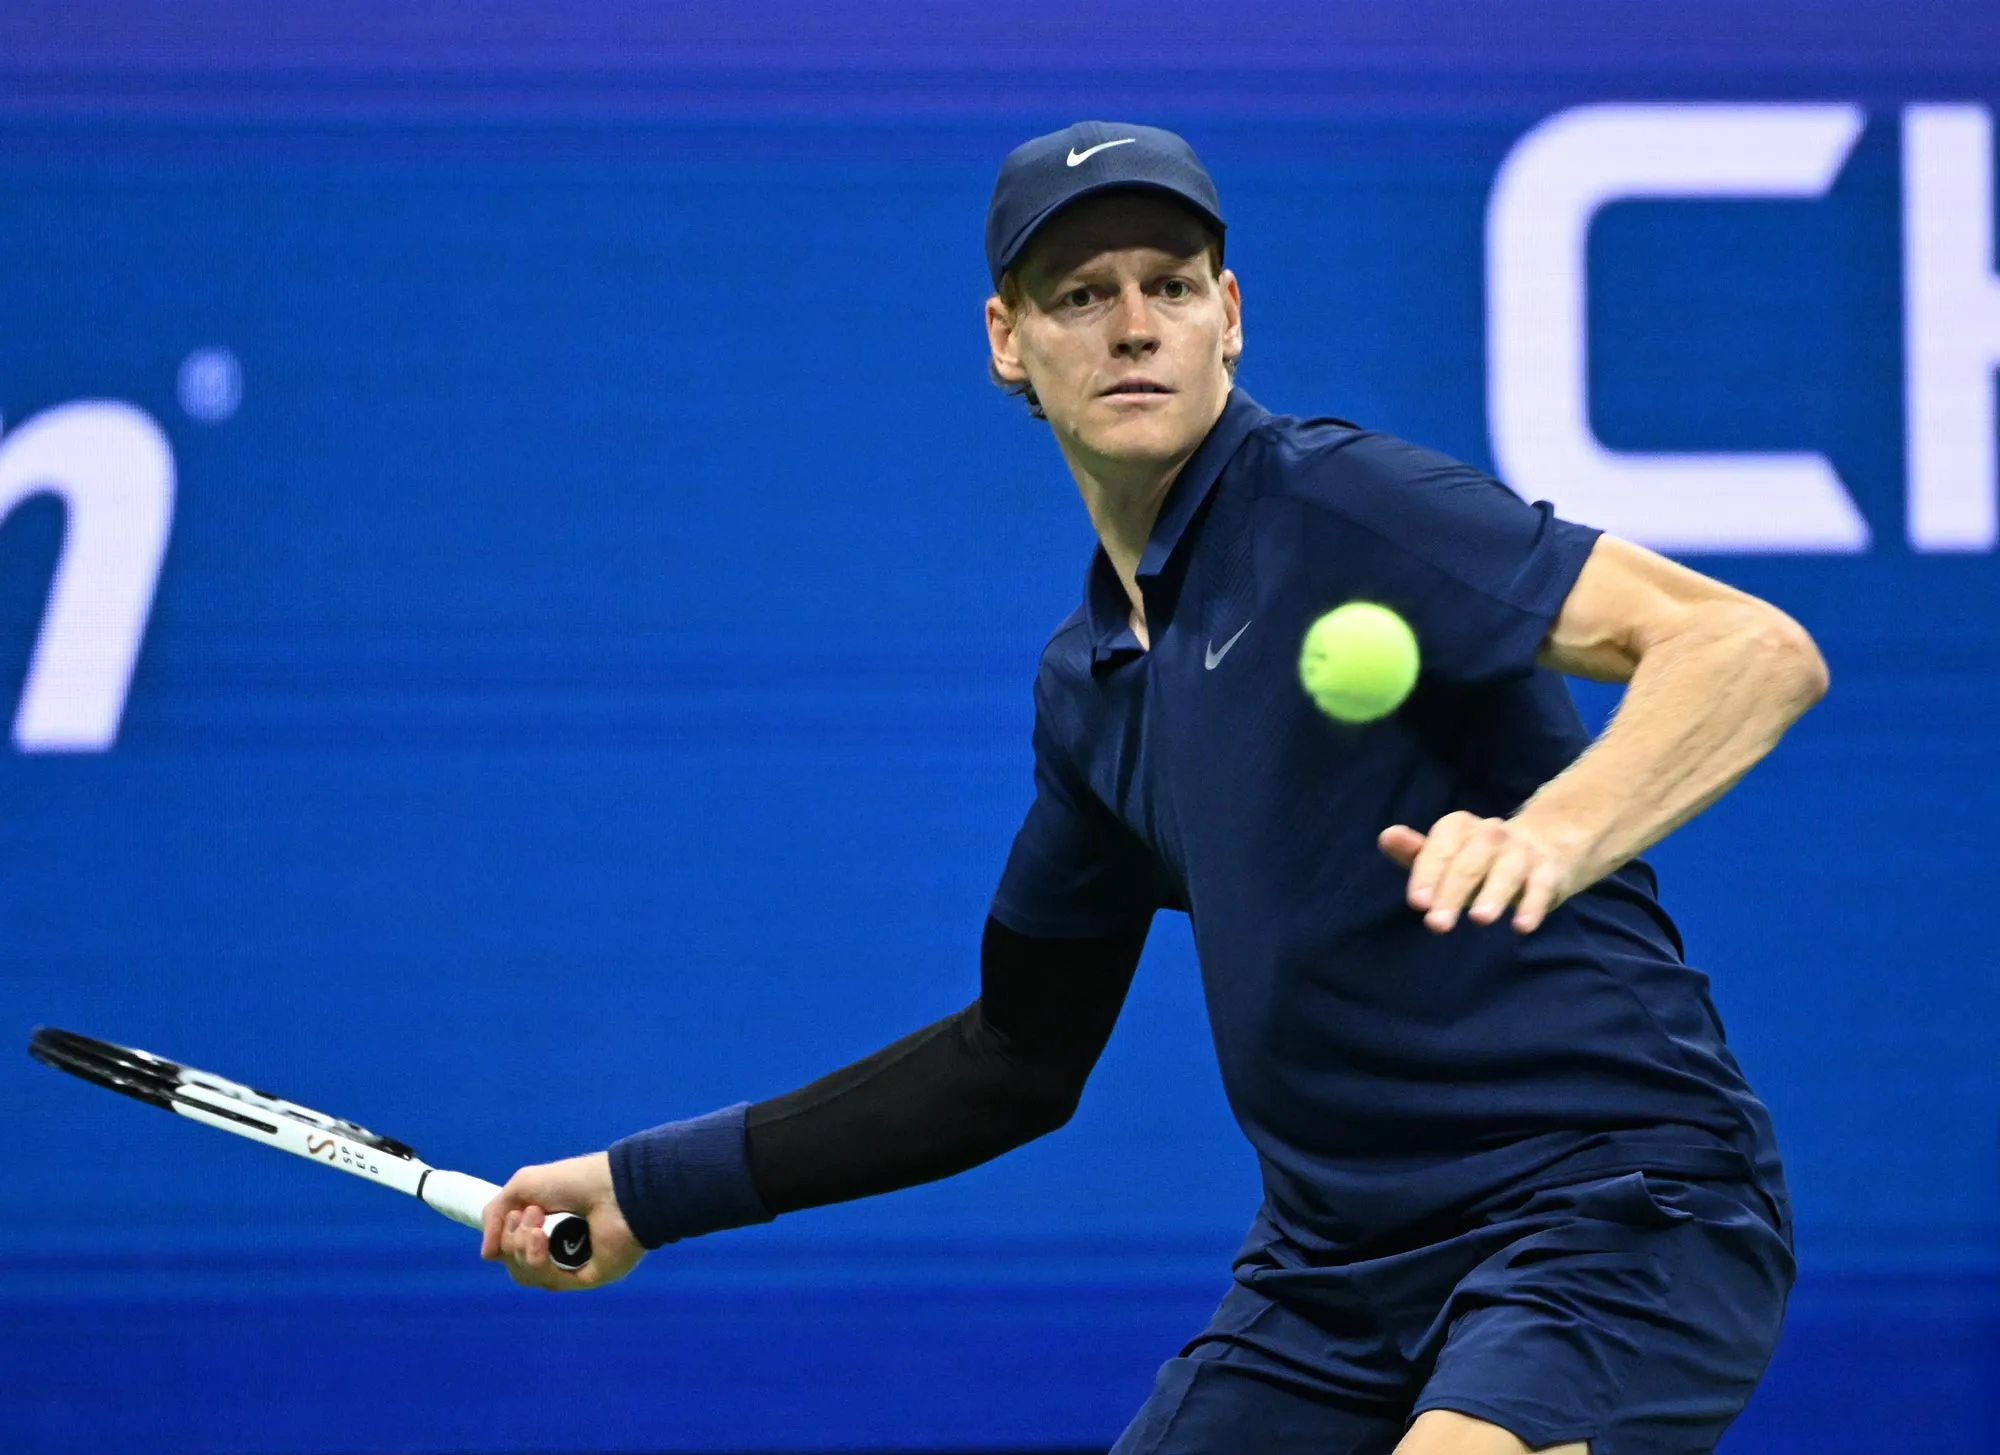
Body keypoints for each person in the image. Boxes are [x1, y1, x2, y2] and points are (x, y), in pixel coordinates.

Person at [483, 122, 1827, 1455]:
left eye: (1170, 286)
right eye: (1082, 296)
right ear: (1008, 339)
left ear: (1227, 316)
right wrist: (652, 1188)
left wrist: (1553, 834)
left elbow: (1746, 649)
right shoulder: (1094, 687)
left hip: (1611, 1208)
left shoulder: (1346, 506)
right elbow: (1015, 1058)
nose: (1134, 327)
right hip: (1335, 1277)